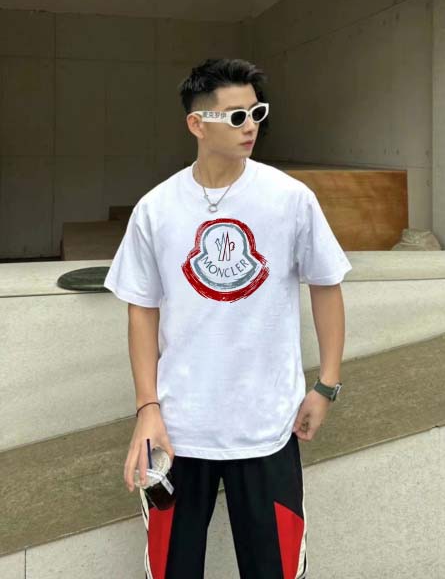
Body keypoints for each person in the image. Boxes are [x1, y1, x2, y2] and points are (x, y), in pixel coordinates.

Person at [103, 57, 352, 579]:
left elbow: (326, 285)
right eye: (237, 116)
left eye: (257, 113)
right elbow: (142, 311)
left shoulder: (290, 199)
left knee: (273, 569)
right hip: (178, 430)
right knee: (172, 569)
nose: (251, 126)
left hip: (268, 425)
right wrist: (147, 408)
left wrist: (326, 385)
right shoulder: (156, 208)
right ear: (197, 124)